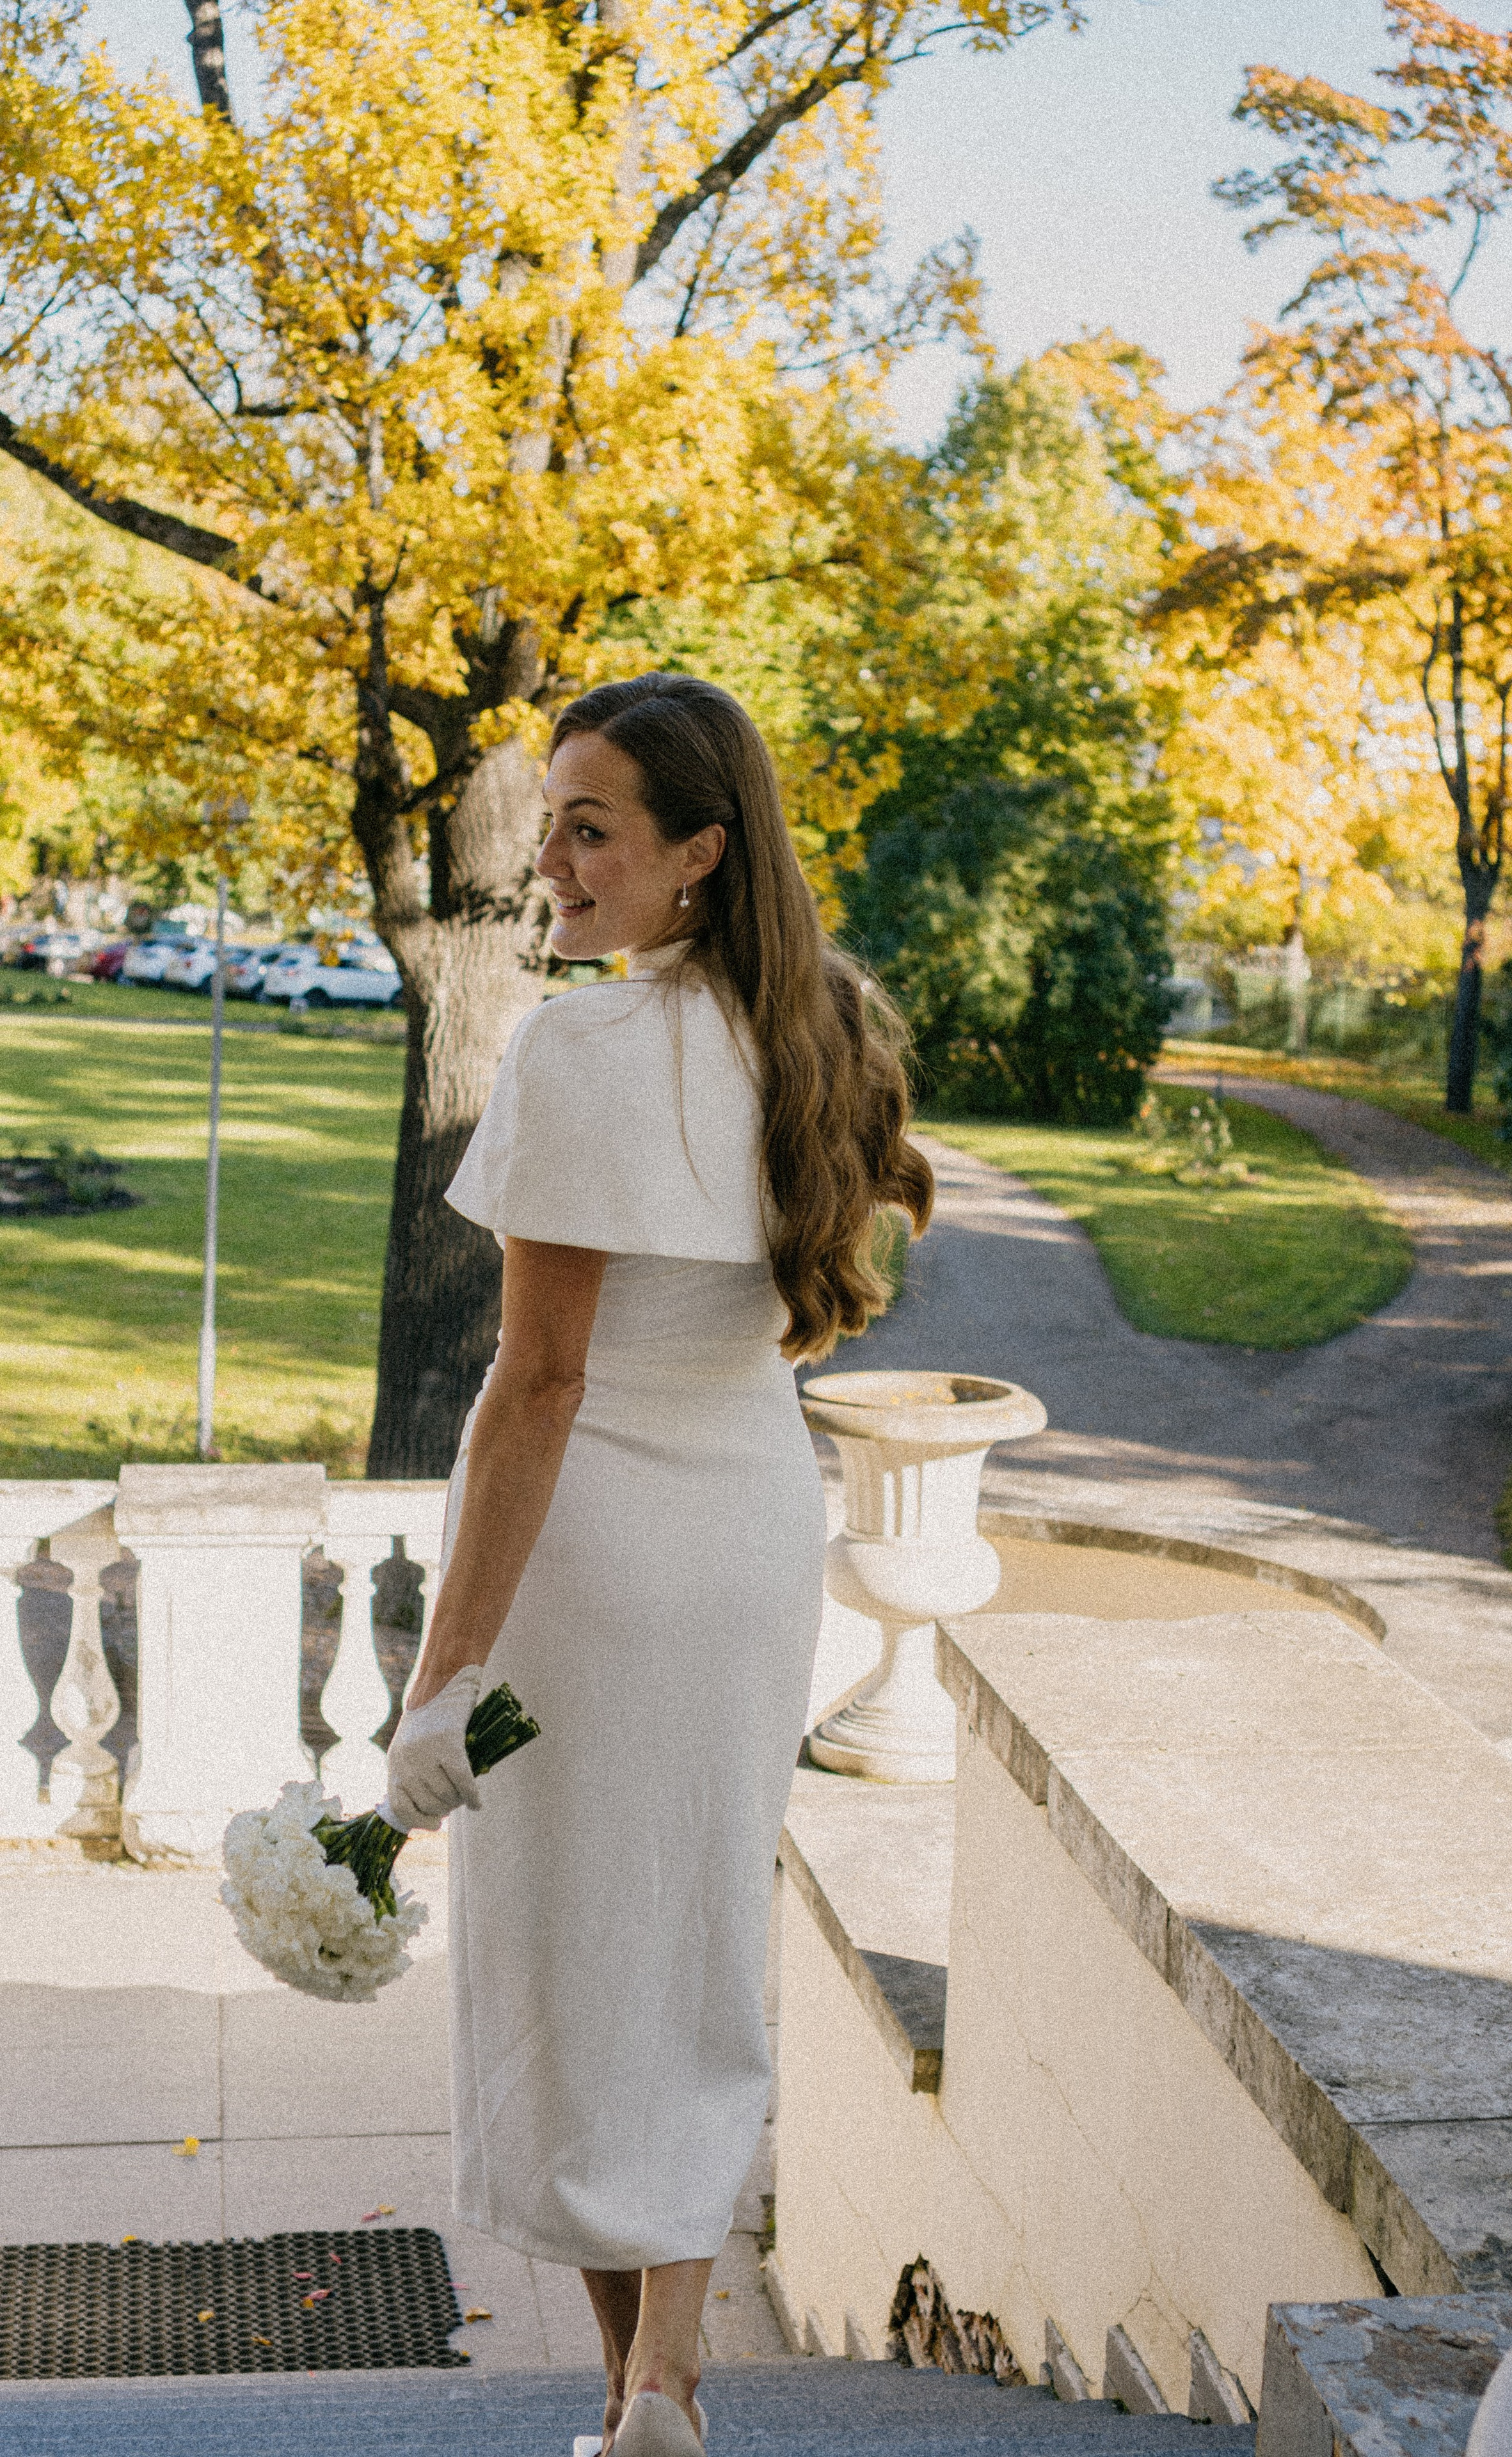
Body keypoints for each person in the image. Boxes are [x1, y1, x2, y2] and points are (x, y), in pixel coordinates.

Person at [383, 674, 934, 2456]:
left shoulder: (579, 1052)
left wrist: (442, 1680)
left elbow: (537, 1388)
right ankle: (656, 2391)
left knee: (573, 1967)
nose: (547, 859)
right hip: (751, 1539)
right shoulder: (823, 1029)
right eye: (550, 821)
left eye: (590, 828)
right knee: (688, 1949)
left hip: (596, 1563)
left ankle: (646, 2389)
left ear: (699, 853)